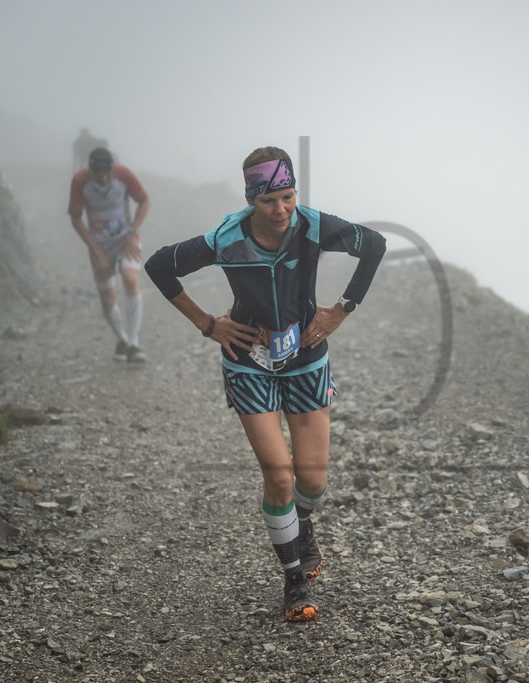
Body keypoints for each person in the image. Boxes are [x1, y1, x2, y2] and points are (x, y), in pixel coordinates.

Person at [144, 146, 386, 621]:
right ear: (251, 201)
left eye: (288, 197)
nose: (281, 209)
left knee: (312, 482)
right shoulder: (225, 238)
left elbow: (374, 245)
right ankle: (295, 581)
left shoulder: (314, 226)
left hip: (307, 358)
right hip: (248, 361)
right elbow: (158, 266)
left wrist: (341, 311)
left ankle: (302, 523)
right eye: (269, 201)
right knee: (278, 475)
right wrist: (208, 324)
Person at [68, 147, 151, 362]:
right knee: (107, 299)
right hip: (99, 244)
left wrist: (132, 232)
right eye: (99, 175)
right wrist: (96, 251)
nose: (104, 179)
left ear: (112, 169)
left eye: (107, 174)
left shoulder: (123, 174)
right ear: (90, 171)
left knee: (130, 279)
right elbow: (75, 218)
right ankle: (122, 339)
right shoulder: (80, 181)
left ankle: (133, 344)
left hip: (126, 240)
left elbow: (144, 201)